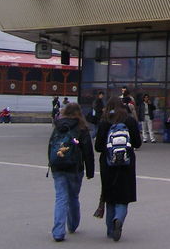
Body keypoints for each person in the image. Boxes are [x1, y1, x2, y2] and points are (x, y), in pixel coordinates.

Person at [95, 97, 142, 241]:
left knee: (110, 196)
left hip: (108, 164)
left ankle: (110, 230)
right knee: (123, 196)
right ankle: (119, 219)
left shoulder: (104, 121)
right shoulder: (129, 121)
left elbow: (97, 147)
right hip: (126, 164)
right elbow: (137, 143)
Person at [48, 102, 94, 242]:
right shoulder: (82, 128)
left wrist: (52, 163)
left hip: (58, 166)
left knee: (61, 197)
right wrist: (90, 171)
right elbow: (88, 151)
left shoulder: (58, 126)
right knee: (73, 197)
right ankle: (73, 225)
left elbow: (51, 145)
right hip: (75, 167)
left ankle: (58, 232)